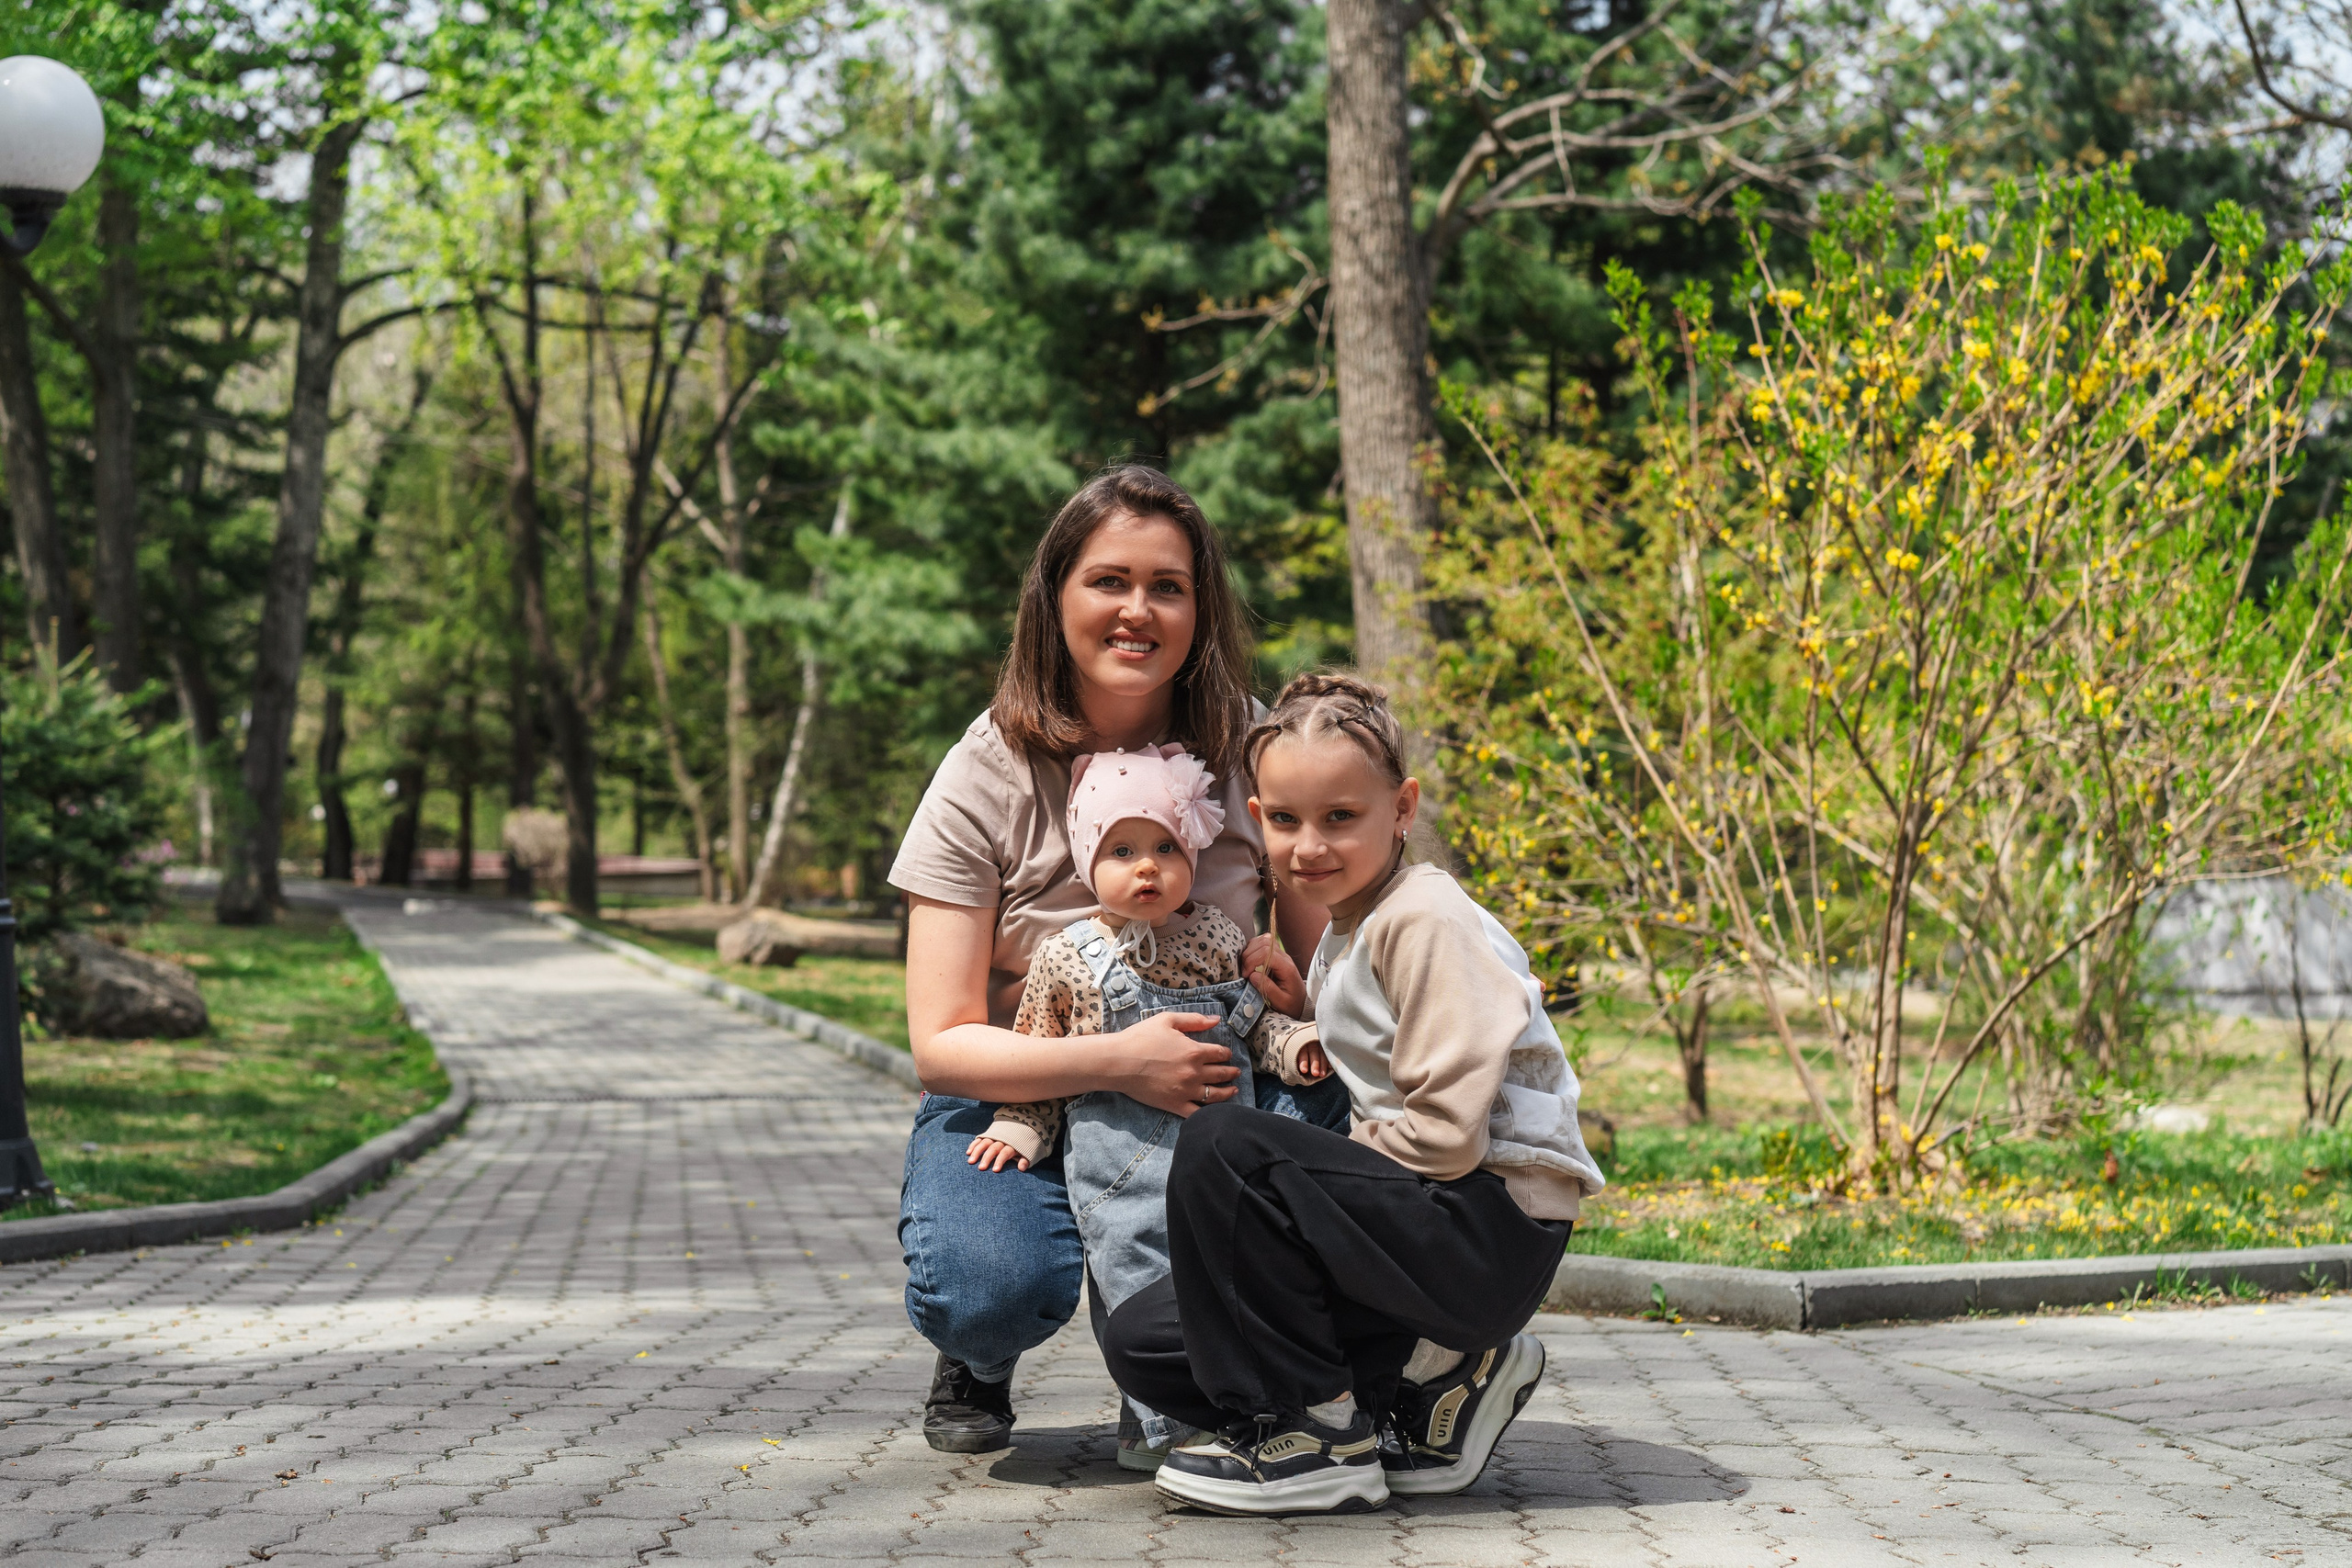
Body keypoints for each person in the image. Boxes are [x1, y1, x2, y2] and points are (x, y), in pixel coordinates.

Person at [888, 467, 1340, 1457]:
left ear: (1200, 607)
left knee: (1346, 1145)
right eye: (1108, 581)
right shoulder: (984, 771)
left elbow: (1323, 976)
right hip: (1022, 1087)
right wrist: (1119, 1062)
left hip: (1217, 1082)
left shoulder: (1252, 746)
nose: (1138, 610)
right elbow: (941, 1044)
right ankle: (980, 1348)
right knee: (987, 1289)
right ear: (1055, 598)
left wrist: (1290, 999)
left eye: (1167, 586)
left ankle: (1282, 1371)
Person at [1102, 672, 1608, 1517]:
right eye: (1288, 820)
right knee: (1148, 1341)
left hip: (1489, 1228)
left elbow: (1446, 1136)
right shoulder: (1354, 924)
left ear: (1402, 809)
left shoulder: (1425, 914)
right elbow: (1385, 1049)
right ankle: (1429, 1390)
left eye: (1342, 817)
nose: (1312, 845)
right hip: (1426, 1227)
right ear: (1258, 819)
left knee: (1229, 1147)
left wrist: (1294, 1181)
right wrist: (1305, 1008)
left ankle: (1319, 1436)